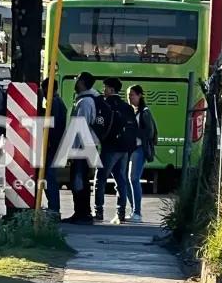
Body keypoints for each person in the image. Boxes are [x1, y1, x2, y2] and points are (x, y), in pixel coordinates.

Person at [94, 77, 137, 224]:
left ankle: (98, 211)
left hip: (110, 147)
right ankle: (121, 213)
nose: (103, 90)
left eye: (105, 87)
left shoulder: (106, 105)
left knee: (101, 180)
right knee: (121, 181)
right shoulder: (127, 107)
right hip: (125, 149)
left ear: (111, 89)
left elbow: (100, 124)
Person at [62, 72, 101, 225]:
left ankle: (82, 214)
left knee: (78, 180)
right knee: (82, 179)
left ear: (82, 83)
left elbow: (80, 128)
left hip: (83, 147)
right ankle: (82, 213)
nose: (75, 83)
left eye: (76, 80)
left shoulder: (84, 102)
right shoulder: (89, 100)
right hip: (87, 146)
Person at [126, 84, 157, 223]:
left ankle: (137, 212)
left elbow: (149, 133)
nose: (130, 98)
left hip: (140, 148)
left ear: (140, 95)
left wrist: (133, 130)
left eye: (132, 95)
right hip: (131, 148)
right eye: (128, 95)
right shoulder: (133, 111)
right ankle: (133, 209)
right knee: (126, 180)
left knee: (133, 178)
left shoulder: (144, 112)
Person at [39, 77, 68, 215]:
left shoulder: (54, 102)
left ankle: (54, 209)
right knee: (49, 177)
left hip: (53, 146)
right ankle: (53, 208)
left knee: (49, 177)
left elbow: (52, 125)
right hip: (57, 145)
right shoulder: (60, 102)